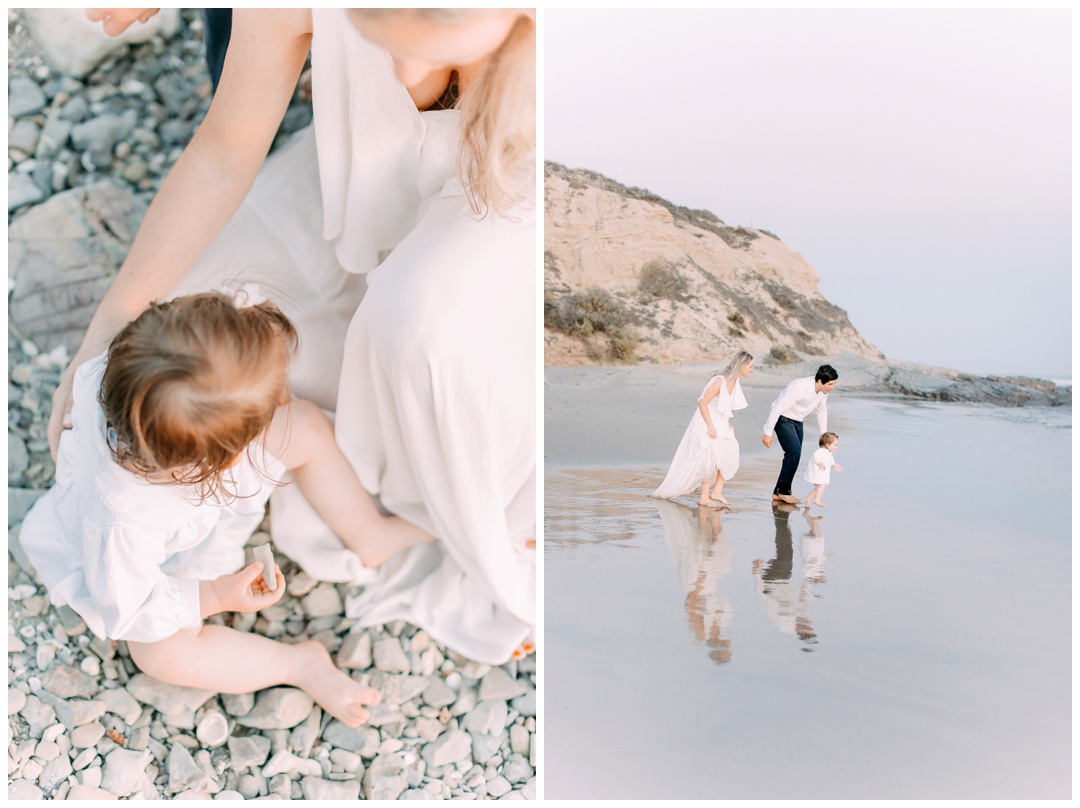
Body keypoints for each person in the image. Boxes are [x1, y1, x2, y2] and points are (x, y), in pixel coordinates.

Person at [60, 9, 536, 665]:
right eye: (374, 31)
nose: (399, 72)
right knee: (196, 329)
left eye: (426, 41)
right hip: (373, 180)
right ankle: (324, 618)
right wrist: (100, 338)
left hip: (519, 198)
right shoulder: (122, 516)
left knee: (417, 336)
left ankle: (493, 511)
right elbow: (222, 155)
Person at [18, 291, 442, 726]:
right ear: (223, 460)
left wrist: (259, 376)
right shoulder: (122, 523)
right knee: (161, 655)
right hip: (165, 560)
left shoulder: (132, 371)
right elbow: (132, 609)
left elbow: (209, 344)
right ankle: (300, 666)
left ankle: (367, 533)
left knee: (307, 423)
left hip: (192, 483)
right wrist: (215, 595)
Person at [652, 351, 753, 507]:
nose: (751, 369)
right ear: (741, 365)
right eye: (750, 366)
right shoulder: (719, 380)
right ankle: (704, 497)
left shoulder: (735, 381)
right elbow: (703, 402)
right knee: (709, 459)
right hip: (707, 421)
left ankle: (717, 491)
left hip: (720, 421)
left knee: (731, 453)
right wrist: (710, 426)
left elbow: (723, 405)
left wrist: (726, 422)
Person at [761, 364, 838, 505]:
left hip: (798, 421)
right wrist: (768, 432)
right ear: (820, 381)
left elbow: (822, 411)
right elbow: (777, 408)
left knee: (795, 455)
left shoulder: (823, 392)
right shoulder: (799, 388)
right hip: (783, 418)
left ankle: (779, 492)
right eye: (830, 384)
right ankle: (784, 492)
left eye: (834, 384)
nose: (832, 387)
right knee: (793, 452)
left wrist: (824, 435)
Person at [803, 432, 842, 508]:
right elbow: (815, 457)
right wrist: (819, 463)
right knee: (821, 486)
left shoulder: (828, 452)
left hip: (821, 472)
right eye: (835, 445)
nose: (837, 447)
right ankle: (816, 499)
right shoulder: (821, 451)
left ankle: (808, 498)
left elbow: (830, 459)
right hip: (816, 471)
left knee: (820, 487)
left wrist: (834, 465)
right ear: (827, 444)